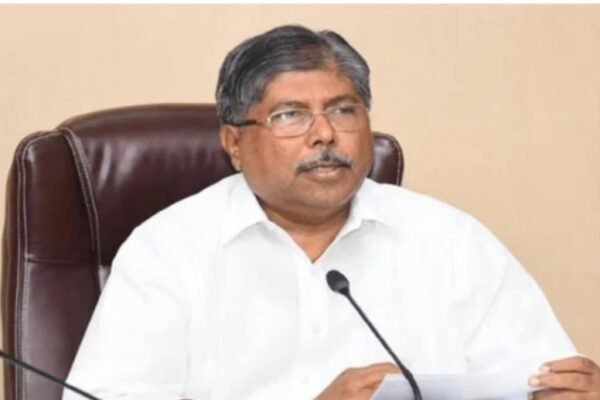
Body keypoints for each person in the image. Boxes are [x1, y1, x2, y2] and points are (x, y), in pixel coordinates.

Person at [63, 25, 600, 400]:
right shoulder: (167, 250)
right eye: (290, 115)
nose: (325, 134)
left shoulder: (452, 240)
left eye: (344, 110)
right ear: (234, 143)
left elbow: (534, 377)